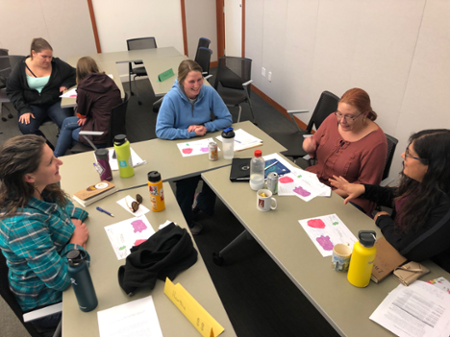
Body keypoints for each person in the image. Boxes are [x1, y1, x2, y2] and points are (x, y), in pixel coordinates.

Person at [0, 135, 89, 329]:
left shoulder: (40, 189)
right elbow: (63, 279)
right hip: (51, 302)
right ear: (29, 178)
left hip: (59, 265)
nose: (60, 162)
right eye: (50, 162)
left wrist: (76, 219)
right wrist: (76, 241)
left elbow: (66, 212)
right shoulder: (22, 225)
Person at [329, 129, 450, 272]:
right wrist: (363, 189)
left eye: (410, 155)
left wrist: (382, 219)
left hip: (433, 269)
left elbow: (409, 249)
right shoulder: (426, 182)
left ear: (431, 167)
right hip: (396, 243)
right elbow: (397, 195)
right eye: (407, 150)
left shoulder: (445, 206)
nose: (403, 155)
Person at [156, 60, 232, 234]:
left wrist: (206, 127)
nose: (197, 85)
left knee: (216, 169)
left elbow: (227, 118)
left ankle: (203, 203)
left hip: (204, 143)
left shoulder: (208, 92)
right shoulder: (172, 98)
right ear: (182, 81)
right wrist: (189, 132)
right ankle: (185, 221)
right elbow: (161, 130)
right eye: (191, 81)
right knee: (187, 181)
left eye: (199, 80)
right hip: (180, 148)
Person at [302, 88, 387, 214]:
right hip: (318, 180)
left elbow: (365, 186)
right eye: (339, 114)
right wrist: (309, 146)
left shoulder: (376, 143)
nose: (342, 121)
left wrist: (327, 194)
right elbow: (315, 143)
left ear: (365, 114)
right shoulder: (332, 119)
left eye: (349, 117)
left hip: (349, 196)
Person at [6, 38, 76, 149]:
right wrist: (23, 109)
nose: (48, 60)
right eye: (44, 57)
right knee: (26, 127)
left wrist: (66, 84)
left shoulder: (56, 64)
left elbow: (75, 74)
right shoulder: (20, 68)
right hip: (32, 104)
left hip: (54, 101)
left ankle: (72, 147)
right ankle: (49, 151)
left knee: (66, 122)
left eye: (50, 57)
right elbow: (12, 90)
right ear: (33, 53)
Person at [54, 57, 122, 157]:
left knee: (70, 132)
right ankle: (57, 155)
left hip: (101, 135)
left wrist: (83, 116)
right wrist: (85, 116)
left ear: (79, 72)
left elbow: (81, 113)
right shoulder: (107, 79)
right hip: (113, 126)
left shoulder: (84, 87)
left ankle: (56, 156)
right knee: (67, 122)